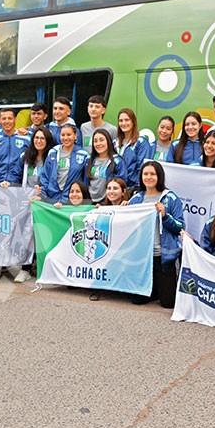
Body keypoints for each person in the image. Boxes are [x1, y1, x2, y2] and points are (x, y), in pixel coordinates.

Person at [128, 161, 184, 309]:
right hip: (143, 258)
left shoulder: (171, 198)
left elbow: (180, 227)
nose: (149, 177)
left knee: (168, 304)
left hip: (163, 257)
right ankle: (154, 289)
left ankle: (160, 288)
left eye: (152, 174)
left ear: (159, 176)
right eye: (145, 174)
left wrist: (165, 216)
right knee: (137, 300)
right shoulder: (135, 200)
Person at [40, 123, 90, 203]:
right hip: (52, 199)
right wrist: (44, 195)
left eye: (69, 135)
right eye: (63, 135)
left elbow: (86, 180)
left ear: (75, 136)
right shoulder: (53, 152)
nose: (65, 138)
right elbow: (45, 176)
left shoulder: (84, 155)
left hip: (72, 201)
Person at [0, 107, 29, 185]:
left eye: (10, 118)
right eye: (4, 119)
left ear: (15, 119)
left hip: (19, 185)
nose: (7, 121)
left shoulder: (26, 139)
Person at [12, 126, 53, 197]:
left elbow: (52, 180)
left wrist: (42, 190)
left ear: (48, 140)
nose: (39, 141)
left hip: (43, 199)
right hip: (25, 198)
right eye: (36, 138)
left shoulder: (52, 158)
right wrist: (9, 183)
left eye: (42, 138)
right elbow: (15, 174)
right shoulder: (25, 155)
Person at [86, 129, 125, 204]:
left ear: (108, 141)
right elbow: (86, 182)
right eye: (95, 141)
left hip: (108, 203)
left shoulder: (117, 161)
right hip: (91, 203)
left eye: (101, 140)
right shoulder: (89, 161)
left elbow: (121, 184)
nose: (98, 143)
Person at [116, 108, 150, 187]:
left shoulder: (141, 142)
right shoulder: (115, 142)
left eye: (127, 120)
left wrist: (138, 187)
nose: (123, 123)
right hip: (116, 188)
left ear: (133, 122)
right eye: (121, 121)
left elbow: (142, 167)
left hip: (133, 186)